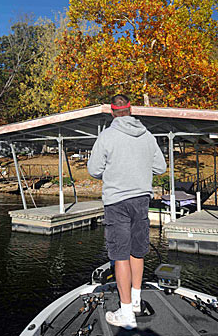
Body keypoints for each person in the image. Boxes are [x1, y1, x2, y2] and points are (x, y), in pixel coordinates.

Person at [87, 94, 166, 330]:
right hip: (141, 200)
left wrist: (114, 170)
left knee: (120, 255)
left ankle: (125, 313)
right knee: (137, 252)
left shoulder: (107, 136)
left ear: (112, 112)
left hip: (117, 202)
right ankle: (136, 301)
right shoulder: (147, 136)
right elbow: (160, 167)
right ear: (130, 110)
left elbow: (93, 169)